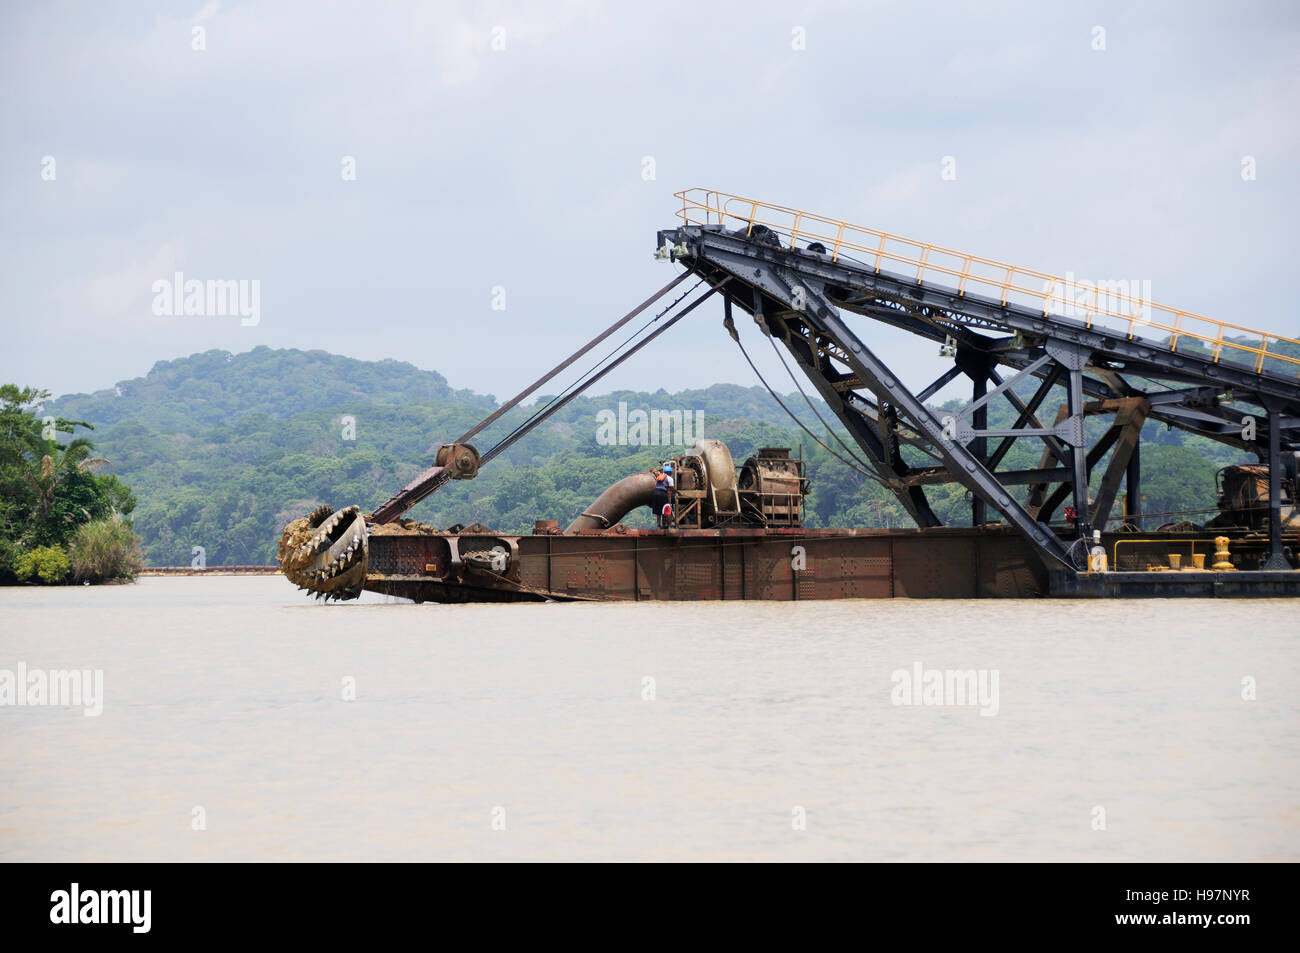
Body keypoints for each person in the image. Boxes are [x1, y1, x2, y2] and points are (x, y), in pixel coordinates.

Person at [650, 461, 675, 527]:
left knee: (658, 511)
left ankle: (658, 524)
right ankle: (669, 525)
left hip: (655, 493)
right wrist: (677, 492)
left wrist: (653, 470)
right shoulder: (670, 478)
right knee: (667, 510)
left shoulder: (660, 476)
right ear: (670, 472)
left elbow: (655, 473)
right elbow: (671, 488)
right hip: (662, 494)